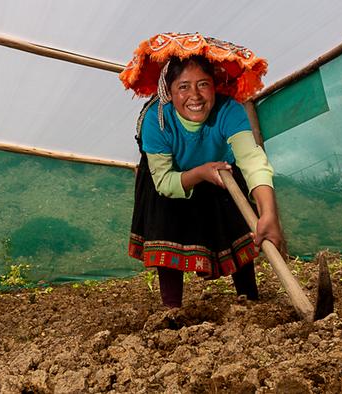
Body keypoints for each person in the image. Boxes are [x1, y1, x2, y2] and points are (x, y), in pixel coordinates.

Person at [120, 33, 285, 308]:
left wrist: (268, 213)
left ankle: (249, 299)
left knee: (238, 216)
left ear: (214, 86)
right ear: (169, 92)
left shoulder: (229, 111)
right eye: (183, 87)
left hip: (223, 171)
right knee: (166, 214)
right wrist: (199, 173)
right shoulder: (156, 120)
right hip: (170, 178)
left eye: (203, 85)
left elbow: (252, 160)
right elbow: (163, 180)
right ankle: (171, 309)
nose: (194, 96)